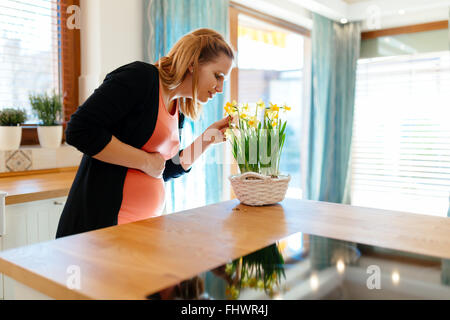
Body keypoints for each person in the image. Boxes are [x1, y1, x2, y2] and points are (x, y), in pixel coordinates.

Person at [56, 28, 235, 238]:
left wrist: (207, 139)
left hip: (140, 232)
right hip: (101, 230)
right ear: (193, 64)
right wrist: (145, 161)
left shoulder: (178, 107)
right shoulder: (140, 78)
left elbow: (163, 169)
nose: (221, 88)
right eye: (218, 76)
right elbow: (79, 129)